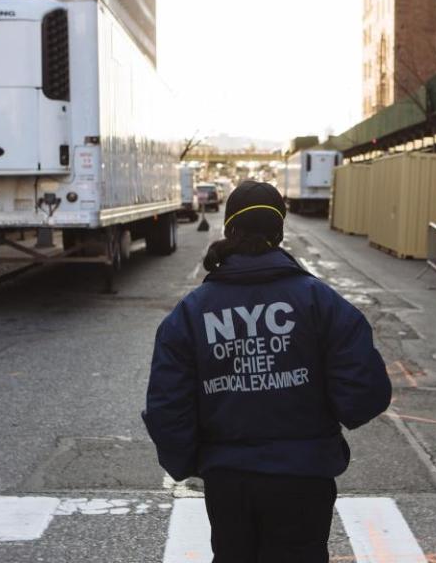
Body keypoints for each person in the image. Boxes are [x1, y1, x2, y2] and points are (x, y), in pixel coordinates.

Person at [143, 180, 392, 563]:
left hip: (229, 478)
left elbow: (167, 406)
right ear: (279, 232)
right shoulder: (319, 302)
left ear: (229, 230)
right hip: (304, 476)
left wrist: (191, 461)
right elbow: (364, 394)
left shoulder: (192, 313)